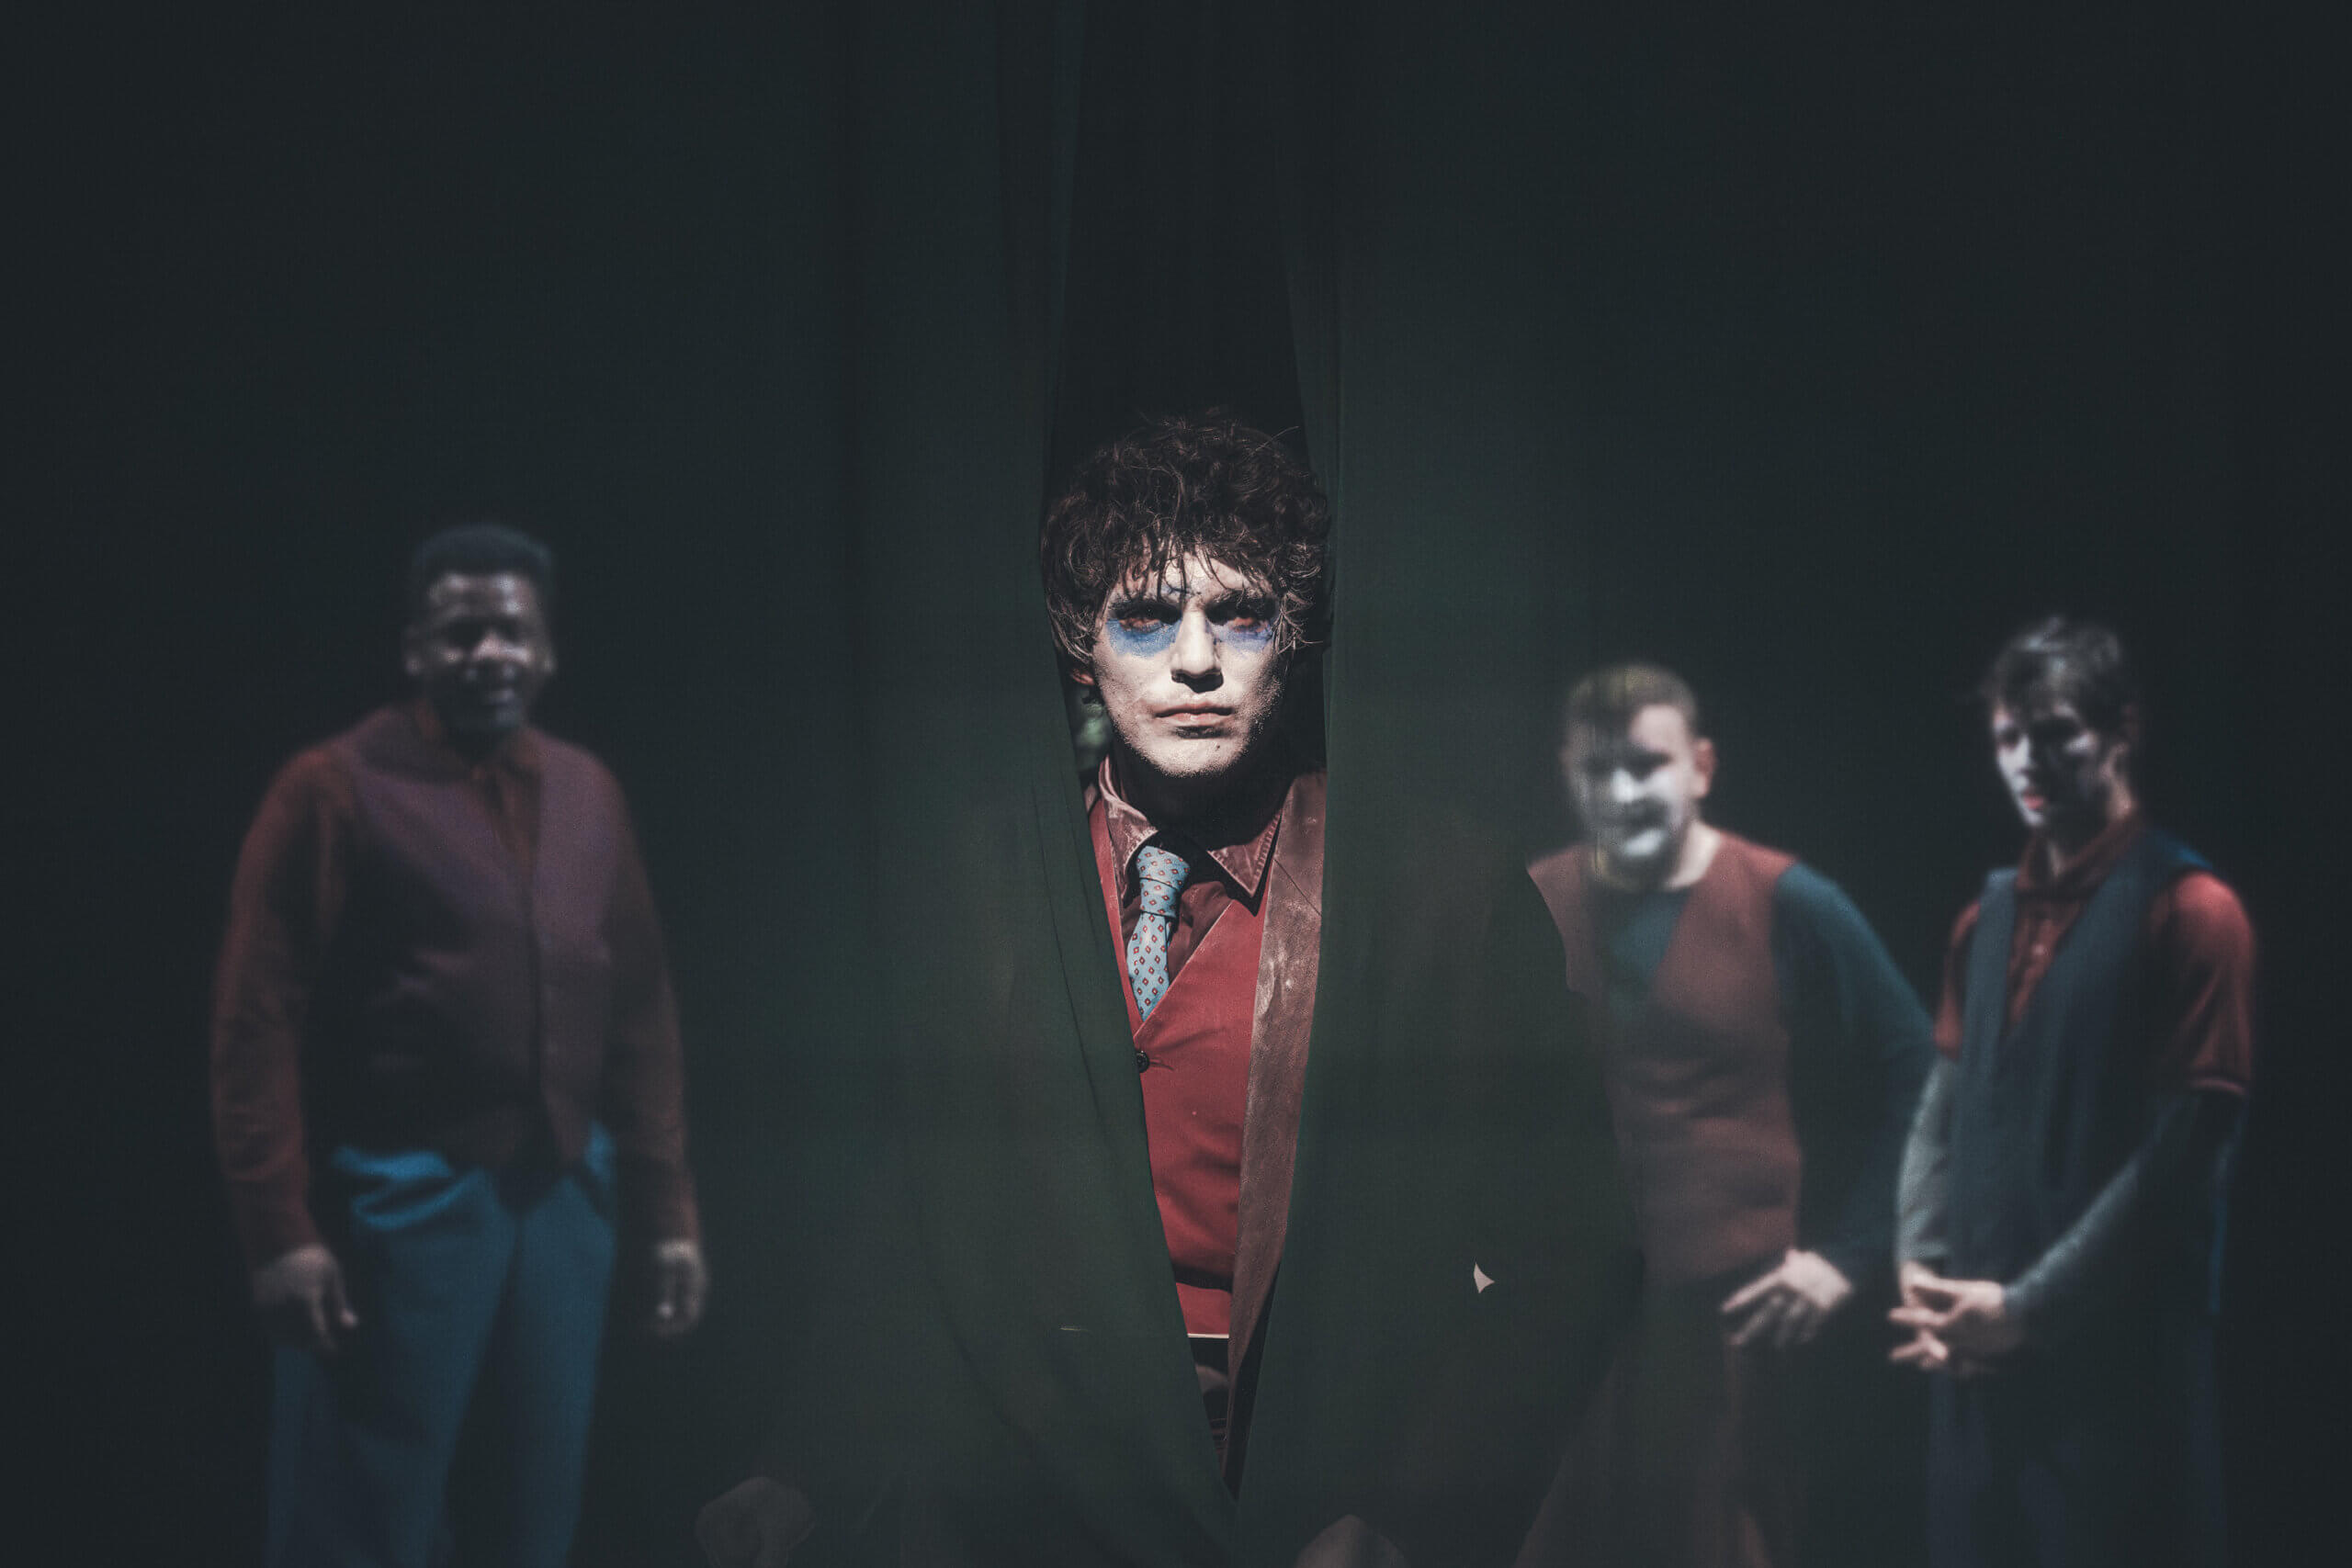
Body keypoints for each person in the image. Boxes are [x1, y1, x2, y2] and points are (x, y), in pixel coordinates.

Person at [699, 413, 1635, 1566]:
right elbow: (914, 1222)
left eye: (1239, 615)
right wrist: (798, 1473)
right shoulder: (985, 886)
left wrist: (1408, 1519)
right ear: (1079, 646)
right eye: (1145, 617)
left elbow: (1572, 1246)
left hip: (1294, 1503)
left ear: (1294, 638)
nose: (1196, 661)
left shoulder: (1437, 894)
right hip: (1023, 1506)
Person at [211, 522, 708, 1568]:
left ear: (548, 651)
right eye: (461, 632)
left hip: (564, 1201)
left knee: (533, 1511)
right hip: (397, 1197)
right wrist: (279, 1230)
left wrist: (666, 1210)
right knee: (361, 1515)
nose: (489, 653)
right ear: (416, 650)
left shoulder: (587, 792)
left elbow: (640, 1009)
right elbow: (256, 1020)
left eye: (512, 632)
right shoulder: (336, 786)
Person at [1520, 663, 1935, 1566]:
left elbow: (1920, 1071)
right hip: (1565, 1332)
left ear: (1701, 766)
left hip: (1730, 1333)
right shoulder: (1534, 902)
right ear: (1566, 773)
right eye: (1598, 769)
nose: (1622, 792)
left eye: (1647, 765)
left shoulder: (1788, 900)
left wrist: (1849, 1254)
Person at [1889, 616, 2254, 1568]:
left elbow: (2181, 1162)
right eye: (2008, 737)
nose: (2027, 760)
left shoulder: (2191, 912)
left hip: (2114, 1382)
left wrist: (2028, 1310)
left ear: (2122, 729)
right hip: (1977, 1373)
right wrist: (1920, 1273)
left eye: (2054, 733)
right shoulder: (1985, 920)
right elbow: (1938, 1115)